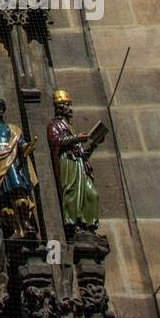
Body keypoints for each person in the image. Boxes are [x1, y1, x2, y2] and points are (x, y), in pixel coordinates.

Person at [47, 89, 106, 235]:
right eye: (68, 105)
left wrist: (94, 144)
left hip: (79, 163)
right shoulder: (54, 126)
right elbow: (56, 141)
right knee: (72, 193)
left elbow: (82, 153)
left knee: (92, 194)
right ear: (60, 107)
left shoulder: (71, 127)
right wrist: (76, 138)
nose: (71, 108)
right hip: (67, 162)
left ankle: (89, 226)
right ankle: (74, 225)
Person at [0, 93, 38, 239]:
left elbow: (20, 143)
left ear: (0, 111)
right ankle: (14, 228)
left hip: (10, 163)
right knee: (2, 198)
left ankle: (25, 222)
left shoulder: (10, 129)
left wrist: (27, 147)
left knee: (18, 189)